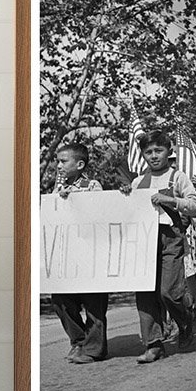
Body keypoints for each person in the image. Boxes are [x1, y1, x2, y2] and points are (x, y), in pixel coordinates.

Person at [123, 129, 196, 362]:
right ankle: (154, 344)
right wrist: (126, 195)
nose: (154, 156)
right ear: (143, 155)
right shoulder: (138, 181)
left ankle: (185, 317)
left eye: (159, 150)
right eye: (148, 152)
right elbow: (129, 212)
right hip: (143, 241)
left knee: (169, 291)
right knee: (145, 294)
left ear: (169, 152)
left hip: (171, 238)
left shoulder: (177, 178)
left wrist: (170, 200)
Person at [49, 140, 109, 363]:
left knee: (93, 304)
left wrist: (72, 200)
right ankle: (78, 340)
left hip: (90, 254)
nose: (59, 166)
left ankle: (95, 349)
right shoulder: (56, 188)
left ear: (80, 164)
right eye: (57, 161)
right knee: (61, 300)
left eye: (63, 161)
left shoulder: (92, 185)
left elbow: (97, 213)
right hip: (66, 256)